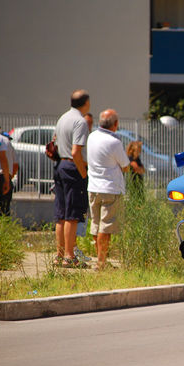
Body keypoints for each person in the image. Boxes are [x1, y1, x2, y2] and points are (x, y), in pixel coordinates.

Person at [87, 109, 130, 270]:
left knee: (96, 225)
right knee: (106, 227)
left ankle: (100, 259)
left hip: (93, 187)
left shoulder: (91, 137)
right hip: (110, 188)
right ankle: (101, 262)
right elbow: (125, 166)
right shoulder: (114, 142)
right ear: (115, 124)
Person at [53, 89, 90, 268]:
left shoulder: (62, 118)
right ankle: (69, 256)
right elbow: (76, 151)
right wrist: (83, 172)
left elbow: (55, 142)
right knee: (72, 215)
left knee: (61, 215)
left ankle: (59, 256)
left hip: (60, 166)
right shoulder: (80, 121)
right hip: (72, 168)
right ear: (86, 103)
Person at [0, 128, 19, 215]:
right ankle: (3, 226)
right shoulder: (10, 146)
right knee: (4, 208)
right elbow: (16, 165)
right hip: (5, 178)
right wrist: (10, 177)